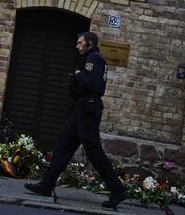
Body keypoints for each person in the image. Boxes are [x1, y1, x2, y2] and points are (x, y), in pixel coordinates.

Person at [24, 31, 128, 209]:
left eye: (80, 43)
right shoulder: (90, 59)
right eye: (77, 43)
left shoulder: (93, 58)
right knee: (63, 145)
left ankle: (118, 190)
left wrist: (76, 75)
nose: (77, 46)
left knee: (94, 153)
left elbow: (89, 83)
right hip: (81, 109)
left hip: (88, 110)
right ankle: (47, 185)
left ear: (89, 43)